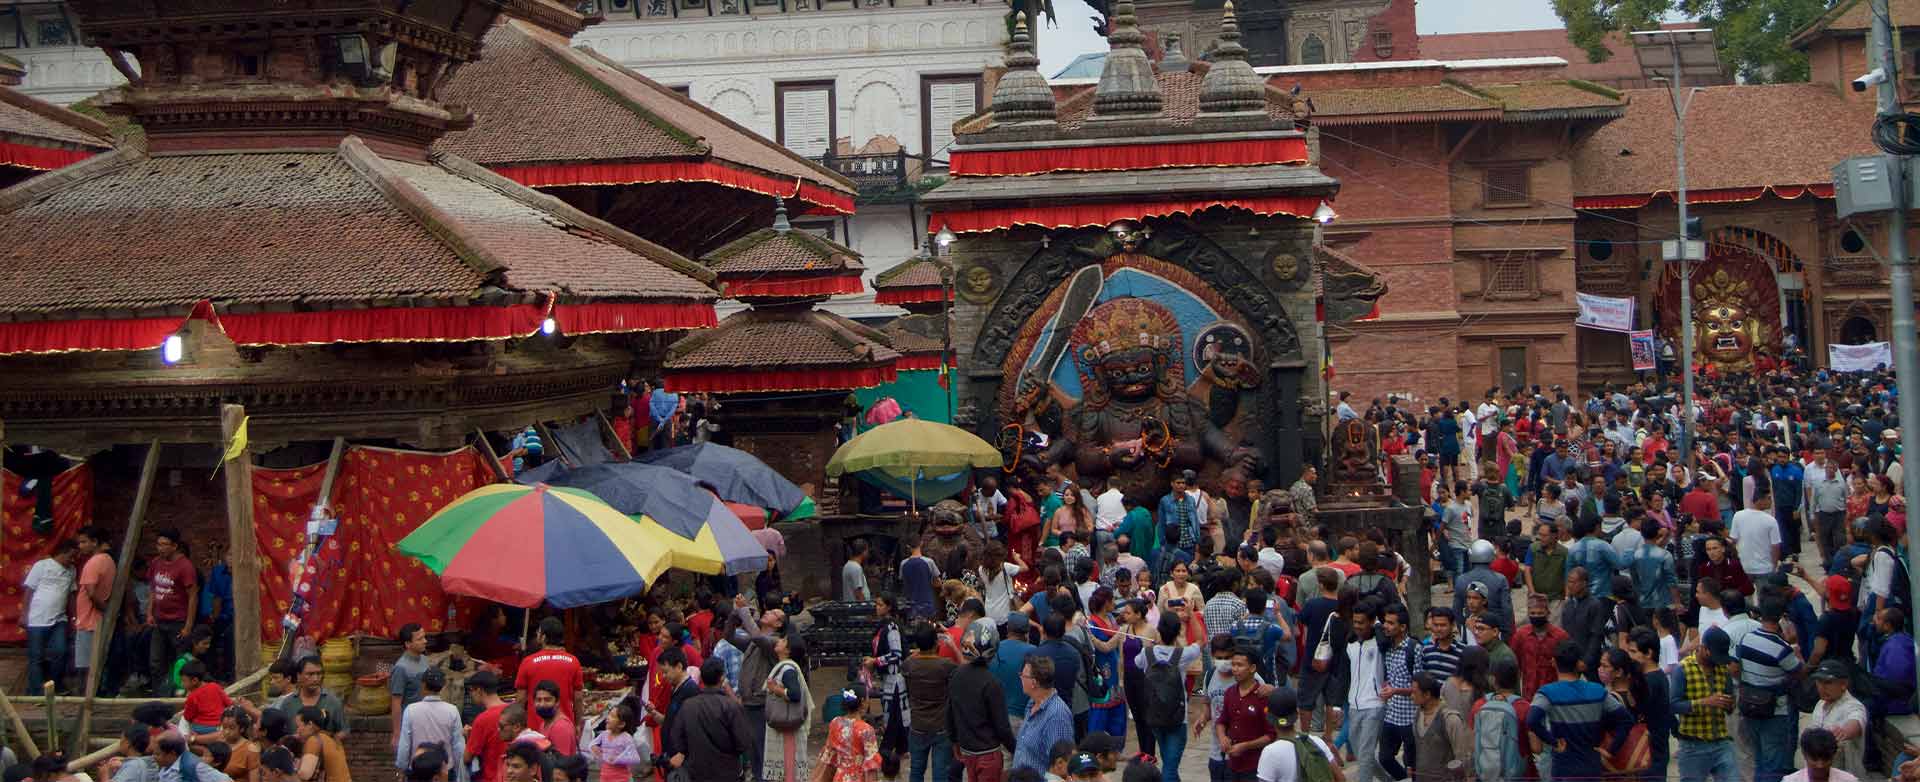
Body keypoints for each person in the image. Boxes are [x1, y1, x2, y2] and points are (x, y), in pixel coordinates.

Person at [1527, 640, 1633, 782]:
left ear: (1553, 662)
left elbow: (1532, 720)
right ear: (1579, 664)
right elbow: (1626, 720)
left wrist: (1553, 742)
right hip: (1592, 768)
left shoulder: (1547, 693)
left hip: (1563, 768)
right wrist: (1611, 750)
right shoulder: (1598, 691)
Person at [1734, 596, 1803, 782]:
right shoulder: (1782, 648)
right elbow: (1799, 672)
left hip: (1749, 707)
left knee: (1760, 760)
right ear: (1781, 618)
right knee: (1773, 764)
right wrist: (1794, 647)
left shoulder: (1746, 639)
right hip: (1774, 712)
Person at [1670, 626, 1739, 782]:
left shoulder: (1722, 669)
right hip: (1693, 745)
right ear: (1704, 649)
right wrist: (1704, 702)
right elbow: (1673, 705)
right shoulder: (1683, 669)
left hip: (1721, 741)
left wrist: (1728, 704)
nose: (1719, 662)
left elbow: (1729, 701)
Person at [666, 658, 753, 782]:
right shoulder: (730, 706)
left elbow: (677, 740)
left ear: (701, 678)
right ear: (722, 677)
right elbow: (743, 743)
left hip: (696, 772)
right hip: (727, 772)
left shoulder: (688, 706)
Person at [951, 620, 1015, 782]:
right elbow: (1002, 727)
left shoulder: (956, 675)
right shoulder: (992, 683)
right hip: (988, 753)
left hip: (967, 751)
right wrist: (1016, 749)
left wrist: (954, 741)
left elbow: (950, 712)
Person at [1138, 615, 1200, 782]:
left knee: (1168, 764)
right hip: (1178, 718)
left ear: (1159, 630)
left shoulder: (1147, 653)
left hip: (1155, 715)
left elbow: (1137, 663)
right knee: (1170, 768)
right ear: (1178, 632)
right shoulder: (1183, 654)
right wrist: (1191, 615)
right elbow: (1202, 640)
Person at [21, 539, 76, 696]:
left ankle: (54, 686)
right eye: (71, 556)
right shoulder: (42, 566)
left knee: (61, 651)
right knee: (36, 656)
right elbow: (29, 590)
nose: (73, 560)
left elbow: (71, 595)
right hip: (37, 619)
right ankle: (36, 693)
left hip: (60, 619)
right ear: (61, 553)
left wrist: (74, 618)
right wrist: (24, 614)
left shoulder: (72, 570)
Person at [904, 622, 957, 782]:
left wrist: (919, 651)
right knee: (940, 773)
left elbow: (907, 661)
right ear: (936, 643)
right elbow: (965, 668)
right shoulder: (946, 666)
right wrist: (953, 646)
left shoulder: (909, 665)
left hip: (918, 725)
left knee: (916, 770)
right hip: (941, 726)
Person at [1255, 686, 1341, 782]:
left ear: (1269, 718)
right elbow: (1340, 778)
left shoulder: (1270, 752)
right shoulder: (1316, 742)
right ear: (1297, 714)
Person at [516, 617, 583, 736]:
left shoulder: (527, 662)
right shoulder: (573, 661)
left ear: (543, 637)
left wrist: (518, 726)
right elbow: (578, 698)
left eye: (538, 632)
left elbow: (521, 699)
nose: (536, 634)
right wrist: (578, 724)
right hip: (564, 728)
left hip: (535, 730)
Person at [1376, 604, 1420, 782]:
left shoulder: (1414, 648)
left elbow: (1419, 687)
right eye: (1385, 622)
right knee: (1385, 758)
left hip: (1410, 717)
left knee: (1412, 763)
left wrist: (1396, 690)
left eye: (1391, 623)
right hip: (1391, 715)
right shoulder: (1387, 647)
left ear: (1403, 627)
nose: (1386, 626)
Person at [396, 668, 464, 781]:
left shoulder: (411, 710)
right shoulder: (452, 710)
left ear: (423, 685)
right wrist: (459, 773)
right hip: (444, 772)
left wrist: (401, 771)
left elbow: (404, 745)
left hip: (418, 771)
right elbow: (458, 746)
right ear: (442, 686)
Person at [1218, 649, 1277, 782]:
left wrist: (1245, 746)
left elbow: (1271, 735)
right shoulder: (1230, 693)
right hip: (1232, 766)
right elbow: (1222, 721)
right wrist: (1222, 737)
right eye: (1233, 664)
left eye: (1240, 665)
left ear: (1252, 668)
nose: (1235, 669)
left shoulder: (1263, 697)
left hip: (1256, 767)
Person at [1343, 603, 1386, 782]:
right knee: (1362, 754)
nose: (1357, 626)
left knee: (1366, 754)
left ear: (1372, 622)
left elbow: (1383, 640)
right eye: (1355, 622)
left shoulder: (1380, 643)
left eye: (1362, 622)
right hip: (1354, 705)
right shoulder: (1351, 644)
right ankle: (1388, 779)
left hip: (1374, 705)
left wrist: (1377, 626)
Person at [1806, 659, 1868, 779]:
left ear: (1843, 684)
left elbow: (1856, 721)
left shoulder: (1854, 705)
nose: (1822, 687)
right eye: (1819, 682)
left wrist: (1843, 731)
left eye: (1828, 682)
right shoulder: (1820, 704)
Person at [1014, 656, 1075, 775]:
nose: (1020, 677)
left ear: (1034, 683)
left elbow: (1061, 766)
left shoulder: (1057, 716)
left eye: (1023, 675)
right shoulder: (1032, 703)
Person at [764, 633, 811, 782]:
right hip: (786, 725)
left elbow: (795, 694)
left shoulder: (788, 670)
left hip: (787, 726)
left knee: (788, 765)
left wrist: (775, 689)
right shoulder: (786, 668)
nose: (779, 641)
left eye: (784, 640)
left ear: (788, 650)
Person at [72, 526, 112, 692]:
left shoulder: (94, 562)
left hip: (89, 621)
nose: (80, 546)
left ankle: (85, 702)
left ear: (95, 542)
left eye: (84, 542)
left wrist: (104, 610)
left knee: (85, 666)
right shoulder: (107, 560)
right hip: (95, 620)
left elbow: (90, 592)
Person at [1410, 672, 1469, 782]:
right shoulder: (1417, 714)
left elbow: (1462, 759)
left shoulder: (1450, 719)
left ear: (1427, 694)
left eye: (1414, 693)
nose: (1411, 696)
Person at [270, 657, 347, 738]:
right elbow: (280, 733)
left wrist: (327, 740)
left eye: (319, 674)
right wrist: (294, 739)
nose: (315, 679)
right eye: (310, 674)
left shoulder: (333, 702)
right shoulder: (288, 703)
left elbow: (344, 731)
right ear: (298, 676)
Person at [822, 686, 883, 782]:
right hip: (857, 778)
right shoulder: (866, 730)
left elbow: (829, 756)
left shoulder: (835, 723)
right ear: (863, 702)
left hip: (839, 777)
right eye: (868, 698)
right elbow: (871, 765)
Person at [1512, 593, 1566, 699]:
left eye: (1540, 613)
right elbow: (1514, 665)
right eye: (1533, 613)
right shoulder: (1520, 635)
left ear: (1548, 612)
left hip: (1553, 694)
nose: (1536, 616)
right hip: (1529, 694)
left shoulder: (1560, 636)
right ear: (1528, 613)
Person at [389, 623, 432, 740]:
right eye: (420, 639)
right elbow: (396, 702)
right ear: (408, 644)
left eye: (424, 637)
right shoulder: (401, 668)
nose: (425, 641)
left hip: (427, 721)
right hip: (410, 725)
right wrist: (397, 733)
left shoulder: (425, 660)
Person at [462, 671, 508, 782]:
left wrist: (467, 737)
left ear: (479, 690)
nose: (471, 695)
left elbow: (467, 758)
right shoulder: (514, 710)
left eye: (471, 691)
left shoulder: (482, 719)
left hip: (490, 777)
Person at [1730, 491, 1782, 581]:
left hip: (1744, 566)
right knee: (1765, 594)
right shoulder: (1771, 520)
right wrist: (1774, 565)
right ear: (1759, 500)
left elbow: (1733, 540)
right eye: (1768, 498)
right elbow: (1776, 546)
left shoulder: (1738, 515)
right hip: (1764, 568)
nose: (1771, 501)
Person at [588, 704, 648, 782]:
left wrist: (618, 759)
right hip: (605, 776)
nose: (608, 718)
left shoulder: (626, 738)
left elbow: (635, 758)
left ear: (621, 724)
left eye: (612, 716)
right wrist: (594, 747)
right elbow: (591, 745)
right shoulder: (604, 734)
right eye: (609, 714)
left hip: (621, 778)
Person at [294, 706, 349, 782]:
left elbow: (305, 774)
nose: (297, 731)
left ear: (310, 724)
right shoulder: (332, 738)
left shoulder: (314, 741)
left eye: (298, 726)